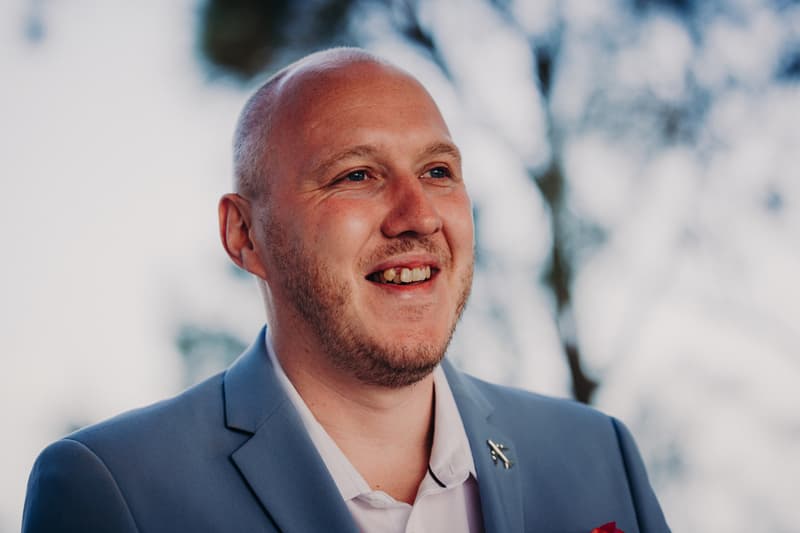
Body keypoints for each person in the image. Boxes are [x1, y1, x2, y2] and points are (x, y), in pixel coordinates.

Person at [22, 48, 670, 533]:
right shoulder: (111, 489)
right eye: (357, 175)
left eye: (438, 171)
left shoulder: (599, 454)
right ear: (243, 234)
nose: (418, 215)